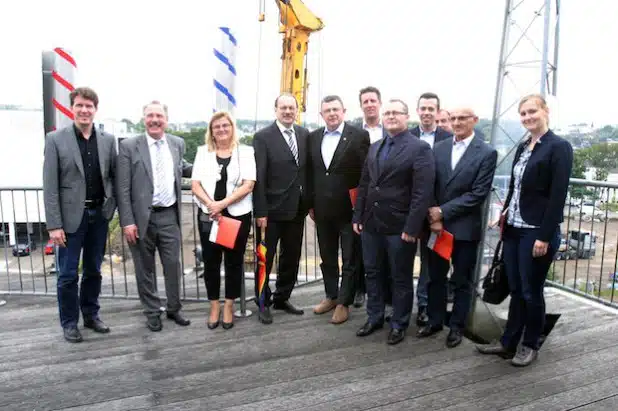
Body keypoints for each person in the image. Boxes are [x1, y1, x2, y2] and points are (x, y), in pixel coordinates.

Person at [476, 94, 573, 366]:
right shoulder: (523, 146)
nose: (528, 117)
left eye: (532, 111)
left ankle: (530, 344)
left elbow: (557, 196)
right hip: (515, 229)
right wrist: (505, 212)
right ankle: (508, 342)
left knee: (532, 291)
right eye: (523, 113)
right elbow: (517, 188)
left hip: (536, 232)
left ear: (545, 111)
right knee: (516, 289)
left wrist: (544, 235)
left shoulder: (559, 147)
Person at [353, 99, 435, 345]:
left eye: (395, 112)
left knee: (400, 277)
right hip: (371, 224)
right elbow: (365, 183)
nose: (390, 116)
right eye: (387, 112)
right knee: (372, 272)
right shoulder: (375, 146)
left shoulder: (419, 148)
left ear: (407, 116)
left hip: (399, 227)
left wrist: (412, 227)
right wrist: (358, 215)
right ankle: (374, 316)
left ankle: (399, 323)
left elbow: (422, 193)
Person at [417, 107, 497, 348]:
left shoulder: (486, 152)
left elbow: (478, 194)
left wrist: (443, 211)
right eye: (454, 119)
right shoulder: (438, 148)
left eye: (463, 118)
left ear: (475, 120)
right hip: (437, 229)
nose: (458, 122)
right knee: (435, 278)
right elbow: (428, 185)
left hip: (464, 228)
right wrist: (434, 216)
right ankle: (434, 321)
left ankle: (457, 327)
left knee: (462, 281)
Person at [43, 87, 117, 343]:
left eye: (89, 106)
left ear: (95, 110)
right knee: (67, 274)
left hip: (98, 215)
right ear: (72, 108)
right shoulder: (55, 139)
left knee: (94, 270)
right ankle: (69, 322)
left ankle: (91, 314)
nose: (85, 110)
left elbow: (114, 177)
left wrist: (111, 208)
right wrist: (54, 225)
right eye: (80, 105)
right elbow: (50, 186)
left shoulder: (108, 140)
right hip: (69, 219)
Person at [116, 101, 193, 332]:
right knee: (144, 268)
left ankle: (174, 308)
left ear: (166, 120)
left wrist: (214, 165)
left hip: (169, 215)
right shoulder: (129, 146)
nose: (155, 120)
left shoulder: (177, 143)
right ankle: (151, 312)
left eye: (159, 115)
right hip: (140, 220)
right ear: (143, 119)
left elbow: (183, 168)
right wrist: (127, 221)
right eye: (150, 115)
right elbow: (123, 187)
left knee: (172, 265)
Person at [308, 95, 370, 324]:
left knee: (351, 258)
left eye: (336, 109)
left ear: (343, 111)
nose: (332, 113)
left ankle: (344, 302)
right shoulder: (313, 138)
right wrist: (311, 204)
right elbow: (311, 174)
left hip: (349, 211)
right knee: (327, 257)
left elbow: (366, 175)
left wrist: (361, 209)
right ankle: (331, 296)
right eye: (327, 110)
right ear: (321, 114)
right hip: (322, 211)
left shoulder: (359, 136)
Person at [191, 111, 255, 330]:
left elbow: (248, 185)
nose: (221, 129)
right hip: (210, 216)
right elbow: (195, 185)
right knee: (210, 262)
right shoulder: (203, 153)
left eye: (225, 125)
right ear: (211, 131)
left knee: (234, 262)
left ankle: (229, 304)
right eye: (217, 126)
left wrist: (222, 204)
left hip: (236, 215)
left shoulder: (245, 152)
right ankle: (214, 306)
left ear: (232, 128)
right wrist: (212, 205)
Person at [252, 93, 311, 324]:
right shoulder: (263, 137)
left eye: (291, 108)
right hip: (271, 212)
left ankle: (282, 296)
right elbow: (259, 176)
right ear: (275, 110)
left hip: (297, 209)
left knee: (291, 257)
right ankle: (263, 301)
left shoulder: (304, 135)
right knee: (265, 258)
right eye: (283, 108)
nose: (288, 111)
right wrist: (261, 212)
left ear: (296, 110)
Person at [409, 92, 453, 327]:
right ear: (417, 111)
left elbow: (446, 178)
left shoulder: (448, 138)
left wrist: (438, 212)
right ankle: (400, 306)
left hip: (434, 214)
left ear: (437, 111)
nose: (426, 112)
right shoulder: (407, 136)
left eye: (431, 108)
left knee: (430, 263)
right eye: (423, 108)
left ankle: (424, 306)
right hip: (407, 212)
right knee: (402, 260)